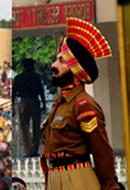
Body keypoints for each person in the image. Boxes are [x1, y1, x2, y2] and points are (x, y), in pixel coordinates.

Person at [40, 18, 117, 190]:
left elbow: (101, 151)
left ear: (76, 70)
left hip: (76, 179)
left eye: (61, 61)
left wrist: (110, 186)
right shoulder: (60, 104)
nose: (54, 65)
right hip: (55, 177)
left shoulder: (84, 105)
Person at [13, 58, 45, 157]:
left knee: (24, 126)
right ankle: (35, 150)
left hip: (24, 101)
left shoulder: (18, 78)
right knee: (36, 126)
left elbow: (13, 93)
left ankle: (28, 150)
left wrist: (12, 105)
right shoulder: (36, 77)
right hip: (35, 100)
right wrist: (43, 103)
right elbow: (41, 91)